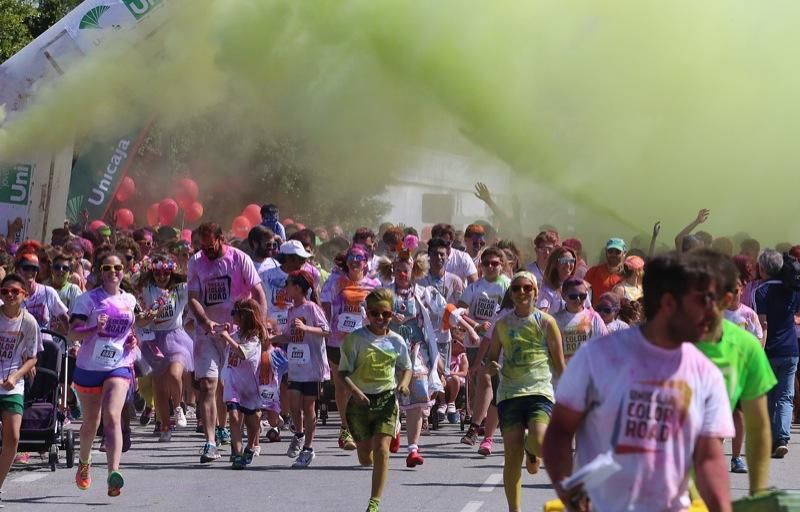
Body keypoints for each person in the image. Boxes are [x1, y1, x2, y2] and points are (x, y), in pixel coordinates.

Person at [543, 252, 735, 512]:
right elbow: (559, 432)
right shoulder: (598, 357)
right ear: (668, 304)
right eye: (704, 301)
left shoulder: (706, 374)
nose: (713, 311)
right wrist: (570, 492)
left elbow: (709, 458)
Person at [694, 249, 775, 490]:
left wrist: (757, 491)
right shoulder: (678, 336)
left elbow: (759, 427)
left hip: (703, 480)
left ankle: (735, 456)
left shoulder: (748, 345)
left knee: (735, 418)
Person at [485, 271, 565, 512]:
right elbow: (490, 360)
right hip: (510, 393)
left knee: (540, 442)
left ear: (535, 291)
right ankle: (514, 509)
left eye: (527, 288)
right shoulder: (502, 324)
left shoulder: (546, 322)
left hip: (540, 390)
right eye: (517, 288)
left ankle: (533, 451)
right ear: (511, 293)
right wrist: (490, 368)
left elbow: (560, 364)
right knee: (512, 452)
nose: (522, 293)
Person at [187, 222, 266, 463]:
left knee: (242, 389)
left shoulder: (240, 259)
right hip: (208, 333)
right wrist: (205, 321)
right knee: (208, 385)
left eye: (210, 247)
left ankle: (249, 437)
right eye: (202, 247)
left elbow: (259, 294)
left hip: (239, 334)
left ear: (222, 239)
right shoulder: (196, 262)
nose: (206, 252)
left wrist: (259, 329)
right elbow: (193, 298)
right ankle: (210, 442)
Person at [70, 252, 140, 497]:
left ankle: (113, 473)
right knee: (91, 422)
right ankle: (85, 463)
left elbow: (130, 330)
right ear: (101, 271)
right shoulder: (87, 300)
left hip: (118, 365)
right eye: (108, 267)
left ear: (124, 270)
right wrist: (92, 328)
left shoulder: (130, 300)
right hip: (89, 368)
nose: (113, 271)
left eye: (118, 267)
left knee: (112, 415)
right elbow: (73, 333)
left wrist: (133, 339)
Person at [339, 288, 412, 512]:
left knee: (382, 450)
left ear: (391, 315)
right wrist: (355, 392)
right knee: (364, 457)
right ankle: (379, 442)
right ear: (367, 314)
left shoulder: (397, 341)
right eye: (375, 314)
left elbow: (406, 367)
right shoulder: (355, 340)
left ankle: (374, 502)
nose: (380, 318)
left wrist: (404, 384)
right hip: (360, 404)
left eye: (386, 314)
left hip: (387, 401)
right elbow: (341, 373)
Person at [385, 252, 444, 468]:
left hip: (416, 349)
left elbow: (442, 309)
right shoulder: (384, 293)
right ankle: (395, 430)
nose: (402, 274)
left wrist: (457, 317)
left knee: (418, 392)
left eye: (406, 270)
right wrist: (387, 315)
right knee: (388, 395)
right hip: (389, 350)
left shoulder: (422, 293)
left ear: (414, 271)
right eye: (398, 269)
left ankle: (413, 449)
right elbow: (368, 313)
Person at [269, 270, 330, 468]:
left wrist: (306, 329)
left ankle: (309, 448)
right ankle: (299, 434)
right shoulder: (291, 311)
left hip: (312, 367)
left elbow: (325, 331)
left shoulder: (311, 308)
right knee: (294, 404)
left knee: (308, 407)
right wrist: (271, 339)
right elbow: (288, 335)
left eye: (288, 284)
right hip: (295, 366)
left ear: (298, 288)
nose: (285, 288)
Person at [323, 244, 381, 451]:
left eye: (360, 258)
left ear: (366, 262)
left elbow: (381, 311)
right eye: (352, 258)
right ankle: (345, 427)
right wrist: (326, 327)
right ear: (346, 262)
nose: (355, 262)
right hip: (338, 341)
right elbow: (325, 306)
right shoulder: (335, 282)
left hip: (364, 341)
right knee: (342, 388)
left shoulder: (374, 284)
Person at [458, 247, 510, 455]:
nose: (490, 267)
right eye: (486, 263)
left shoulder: (507, 286)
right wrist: (477, 326)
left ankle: (478, 427)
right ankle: (481, 423)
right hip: (475, 342)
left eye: (495, 263)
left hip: (498, 343)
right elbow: (459, 311)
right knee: (479, 382)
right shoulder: (475, 287)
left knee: (491, 382)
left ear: (502, 265)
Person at [136, 254, 193, 442]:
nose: (162, 277)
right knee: (159, 386)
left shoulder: (180, 289)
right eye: (158, 273)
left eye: (166, 273)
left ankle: (178, 407)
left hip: (175, 337)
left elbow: (196, 281)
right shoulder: (147, 289)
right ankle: (165, 426)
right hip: (153, 340)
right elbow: (132, 286)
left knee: (175, 374)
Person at [752, 249, 800, 458]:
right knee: (786, 396)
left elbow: (763, 324)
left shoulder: (760, 292)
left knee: (771, 396)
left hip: (769, 350)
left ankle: (773, 439)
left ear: (762, 269)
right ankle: (782, 437)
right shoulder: (793, 289)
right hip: (791, 349)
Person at [0, 274, 42, 506]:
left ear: (24, 295)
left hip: (13, 384)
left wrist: (16, 376)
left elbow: (32, 357)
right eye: (5, 291)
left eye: (14, 292)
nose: (9, 296)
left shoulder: (29, 322)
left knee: (13, 437)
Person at [214, 298, 268, 469]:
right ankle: (237, 453)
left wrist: (227, 338)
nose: (232, 317)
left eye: (234, 313)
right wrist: (221, 333)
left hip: (250, 387)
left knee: (253, 422)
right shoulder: (236, 335)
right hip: (233, 384)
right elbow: (224, 342)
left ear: (244, 316)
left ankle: (251, 446)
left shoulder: (255, 339)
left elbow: (242, 353)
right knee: (235, 418)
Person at [553, 278, 608, 362]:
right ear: (563, 296)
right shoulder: (555, 320)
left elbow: (605, 345)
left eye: (582, 296)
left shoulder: (594, 317)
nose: (578, 299)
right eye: (573, 296)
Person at [584, 238, 627, 306]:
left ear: (624, 253)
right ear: (606, 252)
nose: (613, 254)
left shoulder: (627, 276)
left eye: (617, 251)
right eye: (610, 251)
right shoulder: (593, 271)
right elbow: (583, 293)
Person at [537, 246, 579, 314]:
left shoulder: (579, 287)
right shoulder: (547, 290)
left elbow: (589, 311)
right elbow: (542, 315)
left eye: (571, 261)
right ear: (555, 264)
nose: (568, 265)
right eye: (564, 261)